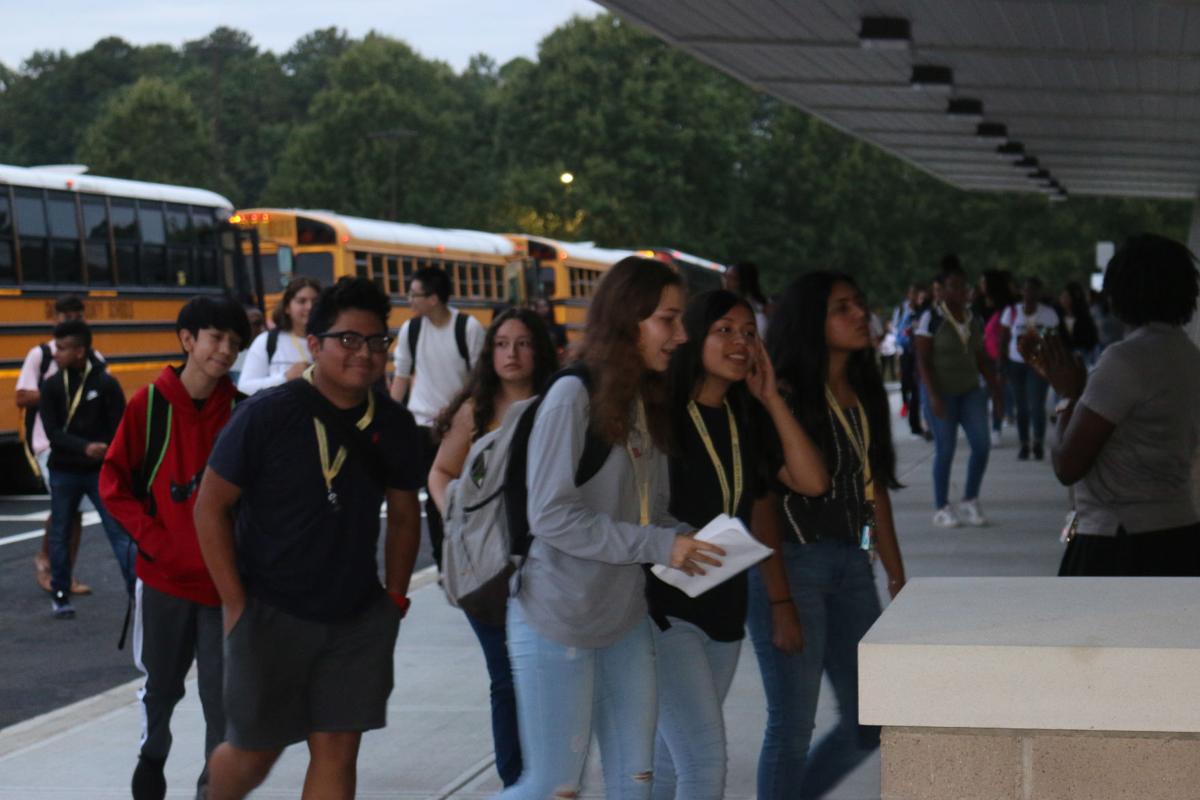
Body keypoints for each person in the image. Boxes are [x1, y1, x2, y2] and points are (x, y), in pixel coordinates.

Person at [495, 256, 724, 800]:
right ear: (628, 319)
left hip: (625, 621)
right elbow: (551, 515)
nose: (681, 335)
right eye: (668, 319)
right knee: (552, 786)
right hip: (557, 618)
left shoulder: (646, 400)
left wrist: (691, 541)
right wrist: (660, 543)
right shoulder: (571, 396)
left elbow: (650, 513)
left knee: (634, 784)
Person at [194, 278, 424, 800]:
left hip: (357, 616)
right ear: (315, 344)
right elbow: (210, 506)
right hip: (270, 610)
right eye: (348, 339)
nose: (364, 353)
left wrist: (393, 598)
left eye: (376, 341)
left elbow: (405, 514)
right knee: (254, 753)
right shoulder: (267, 414)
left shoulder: (392, 423)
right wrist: (235, 603)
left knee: (338, 749)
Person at [648, 289, 829, 800]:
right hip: (662, 612)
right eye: (724, 330)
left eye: (750, 333)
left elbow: (813, 481)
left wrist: (771, 398)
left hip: (724, 610)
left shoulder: (744, 418)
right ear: (692, 336)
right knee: (704, 764)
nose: (740, 342)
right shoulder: (660, 415)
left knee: (669, 763)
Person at [751, 271, 907, 800]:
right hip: (793, 564)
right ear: (810, 321)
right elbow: (762, 505)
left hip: (852, 565)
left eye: (859, 303)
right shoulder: (782, 394)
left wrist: (896, 572)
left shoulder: (862, 390)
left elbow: (874, 487)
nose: (861, 314)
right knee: (792, 726)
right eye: (843, 308)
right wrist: (779, 601)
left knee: (870, 720)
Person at [99, 296, 249, 800]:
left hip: (225, 585)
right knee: (161, 688)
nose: (225, 350)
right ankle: (153, 754)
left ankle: (213, 789)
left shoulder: (243, 412)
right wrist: (158, 542)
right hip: (164, 580)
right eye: (215, 338)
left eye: (234, 342)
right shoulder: (149, 406)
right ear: (187, 339)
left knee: (223, 699)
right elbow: (113, 484)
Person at [427, 308, 559, 788]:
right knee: (506, 677)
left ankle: (549, 776)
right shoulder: (475, 411)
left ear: (539, 351)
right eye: (502, 344)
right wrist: (458, 518)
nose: (511, 354)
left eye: (523, 344)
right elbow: (441, 473)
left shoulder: (560, 404)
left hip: (549, 565)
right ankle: (516, 783)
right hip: (486, 570)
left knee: (549, 678)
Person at [1037, 234, 1200, 576]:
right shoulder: (1189, 356)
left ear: (1120, 293)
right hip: (1180, 531)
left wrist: (1067, 397)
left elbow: (1067, 465)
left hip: (1117, 541)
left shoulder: (1124, 361)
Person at [390, 266, 486, 569]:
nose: (409, 300)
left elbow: (480, 380)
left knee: (468, 493)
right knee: (432, 500)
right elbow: (401, 377)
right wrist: (391, 417)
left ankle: (470, 555)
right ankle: (444, 564)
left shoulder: (468, 328)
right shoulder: (411, 330)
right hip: (423, 427)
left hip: (460, 428)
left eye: (414, 294)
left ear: (433, 298)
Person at [39, 319, 134, 618]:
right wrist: (85, 447)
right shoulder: (52, 386)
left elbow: (120, 425)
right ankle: (60, 593)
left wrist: (109, 451)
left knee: (118, 531)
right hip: (64, 469)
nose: (56, 354)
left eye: (62, 348)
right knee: (60, 533)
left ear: (79, 351)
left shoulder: (105, 384)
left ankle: (138, 591)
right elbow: (52, 432)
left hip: (98, 471)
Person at [17, 294, 103, 595]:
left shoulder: (95, 358)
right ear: (55, 320)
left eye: (78, 317)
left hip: (80, 444)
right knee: (68, 507)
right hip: (47, 441)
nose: (72, 322)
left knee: (72, 509)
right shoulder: (41, 355)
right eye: (66, 317)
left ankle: (57, 568)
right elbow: (22, 396)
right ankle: (54, 568)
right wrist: (59, 392)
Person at [914, 260, 1001, 527]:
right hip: (941, 391)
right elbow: (922, 360)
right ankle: (941, 506)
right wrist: (933, 396)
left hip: (970, 390)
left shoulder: (974, 318)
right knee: (946, 449)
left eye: (963, 285)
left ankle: (970, 499)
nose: (961, 290)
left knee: (982, 444)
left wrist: (996, 390)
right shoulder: (932, 318)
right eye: (954, 286)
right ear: (942, 290)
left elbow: (980, 356)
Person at [999, 277, 1060, 460]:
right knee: (1021, 406)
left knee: (1036, 405)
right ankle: (1024, 443)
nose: (1029, 294)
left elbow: (1055, 340)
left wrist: (1052, 363)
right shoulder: (1011, 312)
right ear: (1021, 292)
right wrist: (1002, 364)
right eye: (1026, 290)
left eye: (1033, 290)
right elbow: (1003, 339)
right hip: (1016, 363)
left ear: (1039, 293)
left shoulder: (1048, 314)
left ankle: (1038, 442)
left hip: (1038, 364)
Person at [236, 277, 319, 395]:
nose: (309, 307)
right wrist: (285, 378)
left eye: (315, 302)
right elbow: (244, 388)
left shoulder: (330, 341)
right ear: (287, 307)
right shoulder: (267, 341)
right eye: (301, 301)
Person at [893, 284, 927, 439]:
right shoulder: (902, 311)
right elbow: (898, 334)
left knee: (918, 390)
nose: (916, 298)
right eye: (914, 294)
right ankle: (915, 425)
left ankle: (922, 424)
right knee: (911, 387)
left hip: (921, 353)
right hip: (908, 354)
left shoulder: (925, 311)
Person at [1058, 281, 1099, 365]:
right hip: (1065, 358)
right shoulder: (1059, 317)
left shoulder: (1084, 318)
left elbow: (1091, 339)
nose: (1063, 299)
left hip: (1083, 357)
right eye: (1063, 296)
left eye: (1066, 297)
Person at [724, 261, 770, 335]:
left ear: (744, 281)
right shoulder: (723, 304)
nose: (726, 281)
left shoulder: (762, 310)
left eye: (732, 278)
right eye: (725, 276)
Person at [229, 306, 265, 385]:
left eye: (264, 323)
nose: (263, 329)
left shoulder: (270, 351)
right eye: (256, 324)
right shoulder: (229, 355)